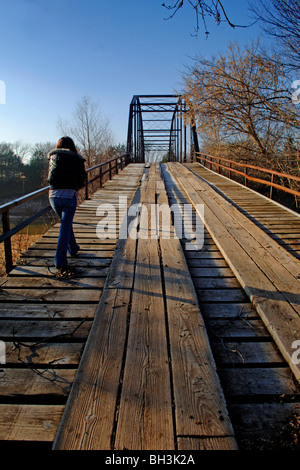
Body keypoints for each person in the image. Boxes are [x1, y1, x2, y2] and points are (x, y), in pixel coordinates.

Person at [47, 136, 86, 277]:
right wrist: (75, 187)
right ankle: (60, 261)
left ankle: (73, 248)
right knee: (64, 227)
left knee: (65, 224)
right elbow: (82, 180)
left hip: (53, 197)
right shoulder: (77, 158)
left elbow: (49, 178)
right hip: (69, 196)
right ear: (72, 146)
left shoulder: (52, 157)